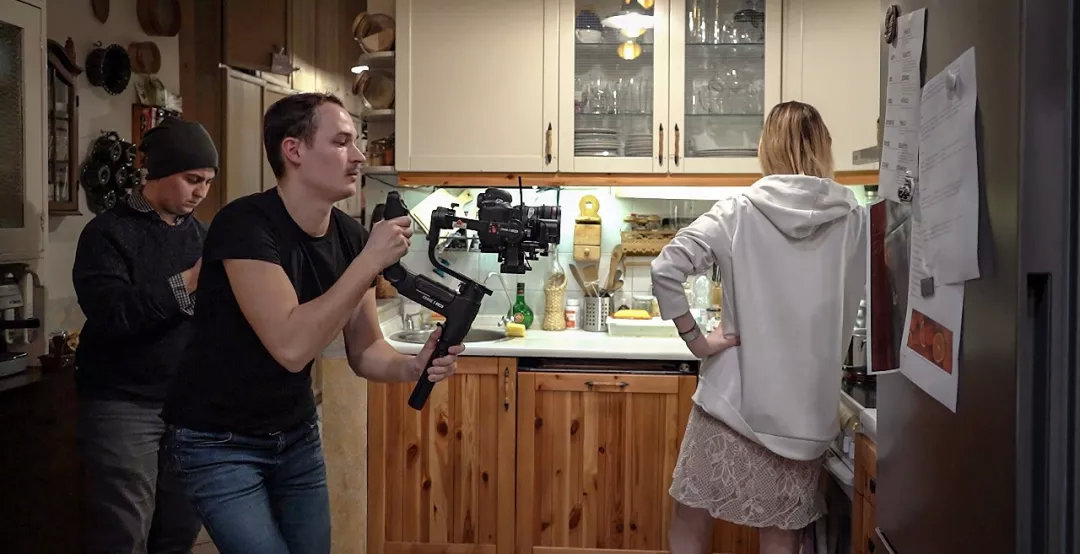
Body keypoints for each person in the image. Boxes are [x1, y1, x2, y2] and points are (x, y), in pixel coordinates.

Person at [161, 92, 464, 554]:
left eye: (356, 142)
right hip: (218, 441)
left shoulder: (350, 236)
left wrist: (411, 366)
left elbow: (366, 350)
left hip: (295, 435)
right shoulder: (243, 224)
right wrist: (368, 262)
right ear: (294, 150)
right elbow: (291, 347)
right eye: (341, 142)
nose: (358, 156)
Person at [652, 101, 867, 554]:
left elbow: (666, 268)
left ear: (766, 148)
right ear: (824, 147)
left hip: (732, 402)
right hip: (806, 413)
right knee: (781, 533)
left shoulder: (737, 211)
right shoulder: (855, 218)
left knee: (692, 517)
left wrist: (697, 341)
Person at [72, 118, 218, 553]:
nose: (201, 192)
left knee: (179, 529)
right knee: (124, 529)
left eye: (208, 182)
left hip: (187, 405)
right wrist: (187, 283)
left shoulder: (204, 237)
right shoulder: (106, 233)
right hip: (122, 403)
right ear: (159, 172)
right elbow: (112, 313)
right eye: (192, 179)